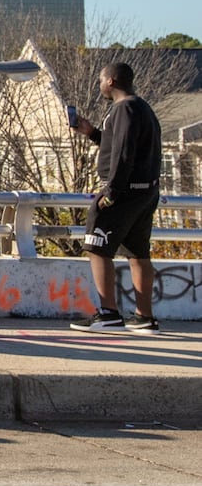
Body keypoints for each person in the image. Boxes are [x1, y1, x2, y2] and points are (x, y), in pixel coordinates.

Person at [68, 62, 164, 334]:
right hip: (146, 191)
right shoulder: (142, 108)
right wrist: (93, 133)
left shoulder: (123, 109)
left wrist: (110, 193)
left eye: (100, 80)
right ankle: (145, 317)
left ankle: (108, 313)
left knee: (96, 245)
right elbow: (125, 144)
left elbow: (123, 153)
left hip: (123, 191)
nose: (99, 85)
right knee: (138, 253)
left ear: (110, 81)